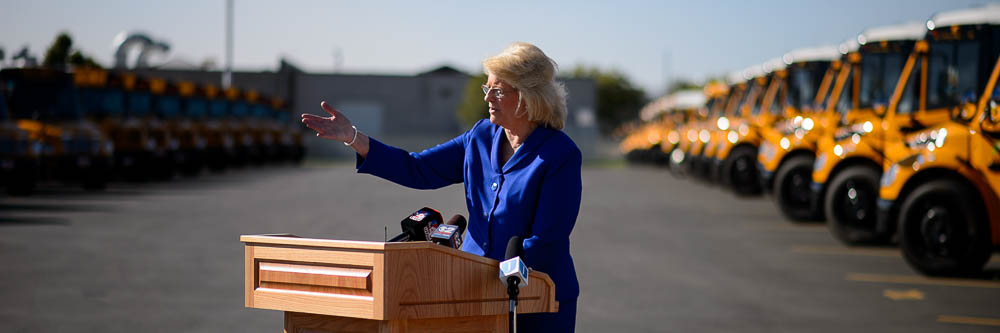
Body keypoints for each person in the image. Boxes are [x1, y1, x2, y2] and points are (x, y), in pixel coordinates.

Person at [301, 42, 581, 332]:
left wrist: (495, 276)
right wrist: (354, 138)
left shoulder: (560, 154)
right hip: (470, 292)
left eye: (497, 91)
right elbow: (418, 169)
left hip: (538, 299)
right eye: (487, 89)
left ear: (526, 96)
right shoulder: (480, 137)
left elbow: (546, 241)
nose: (488, 98)